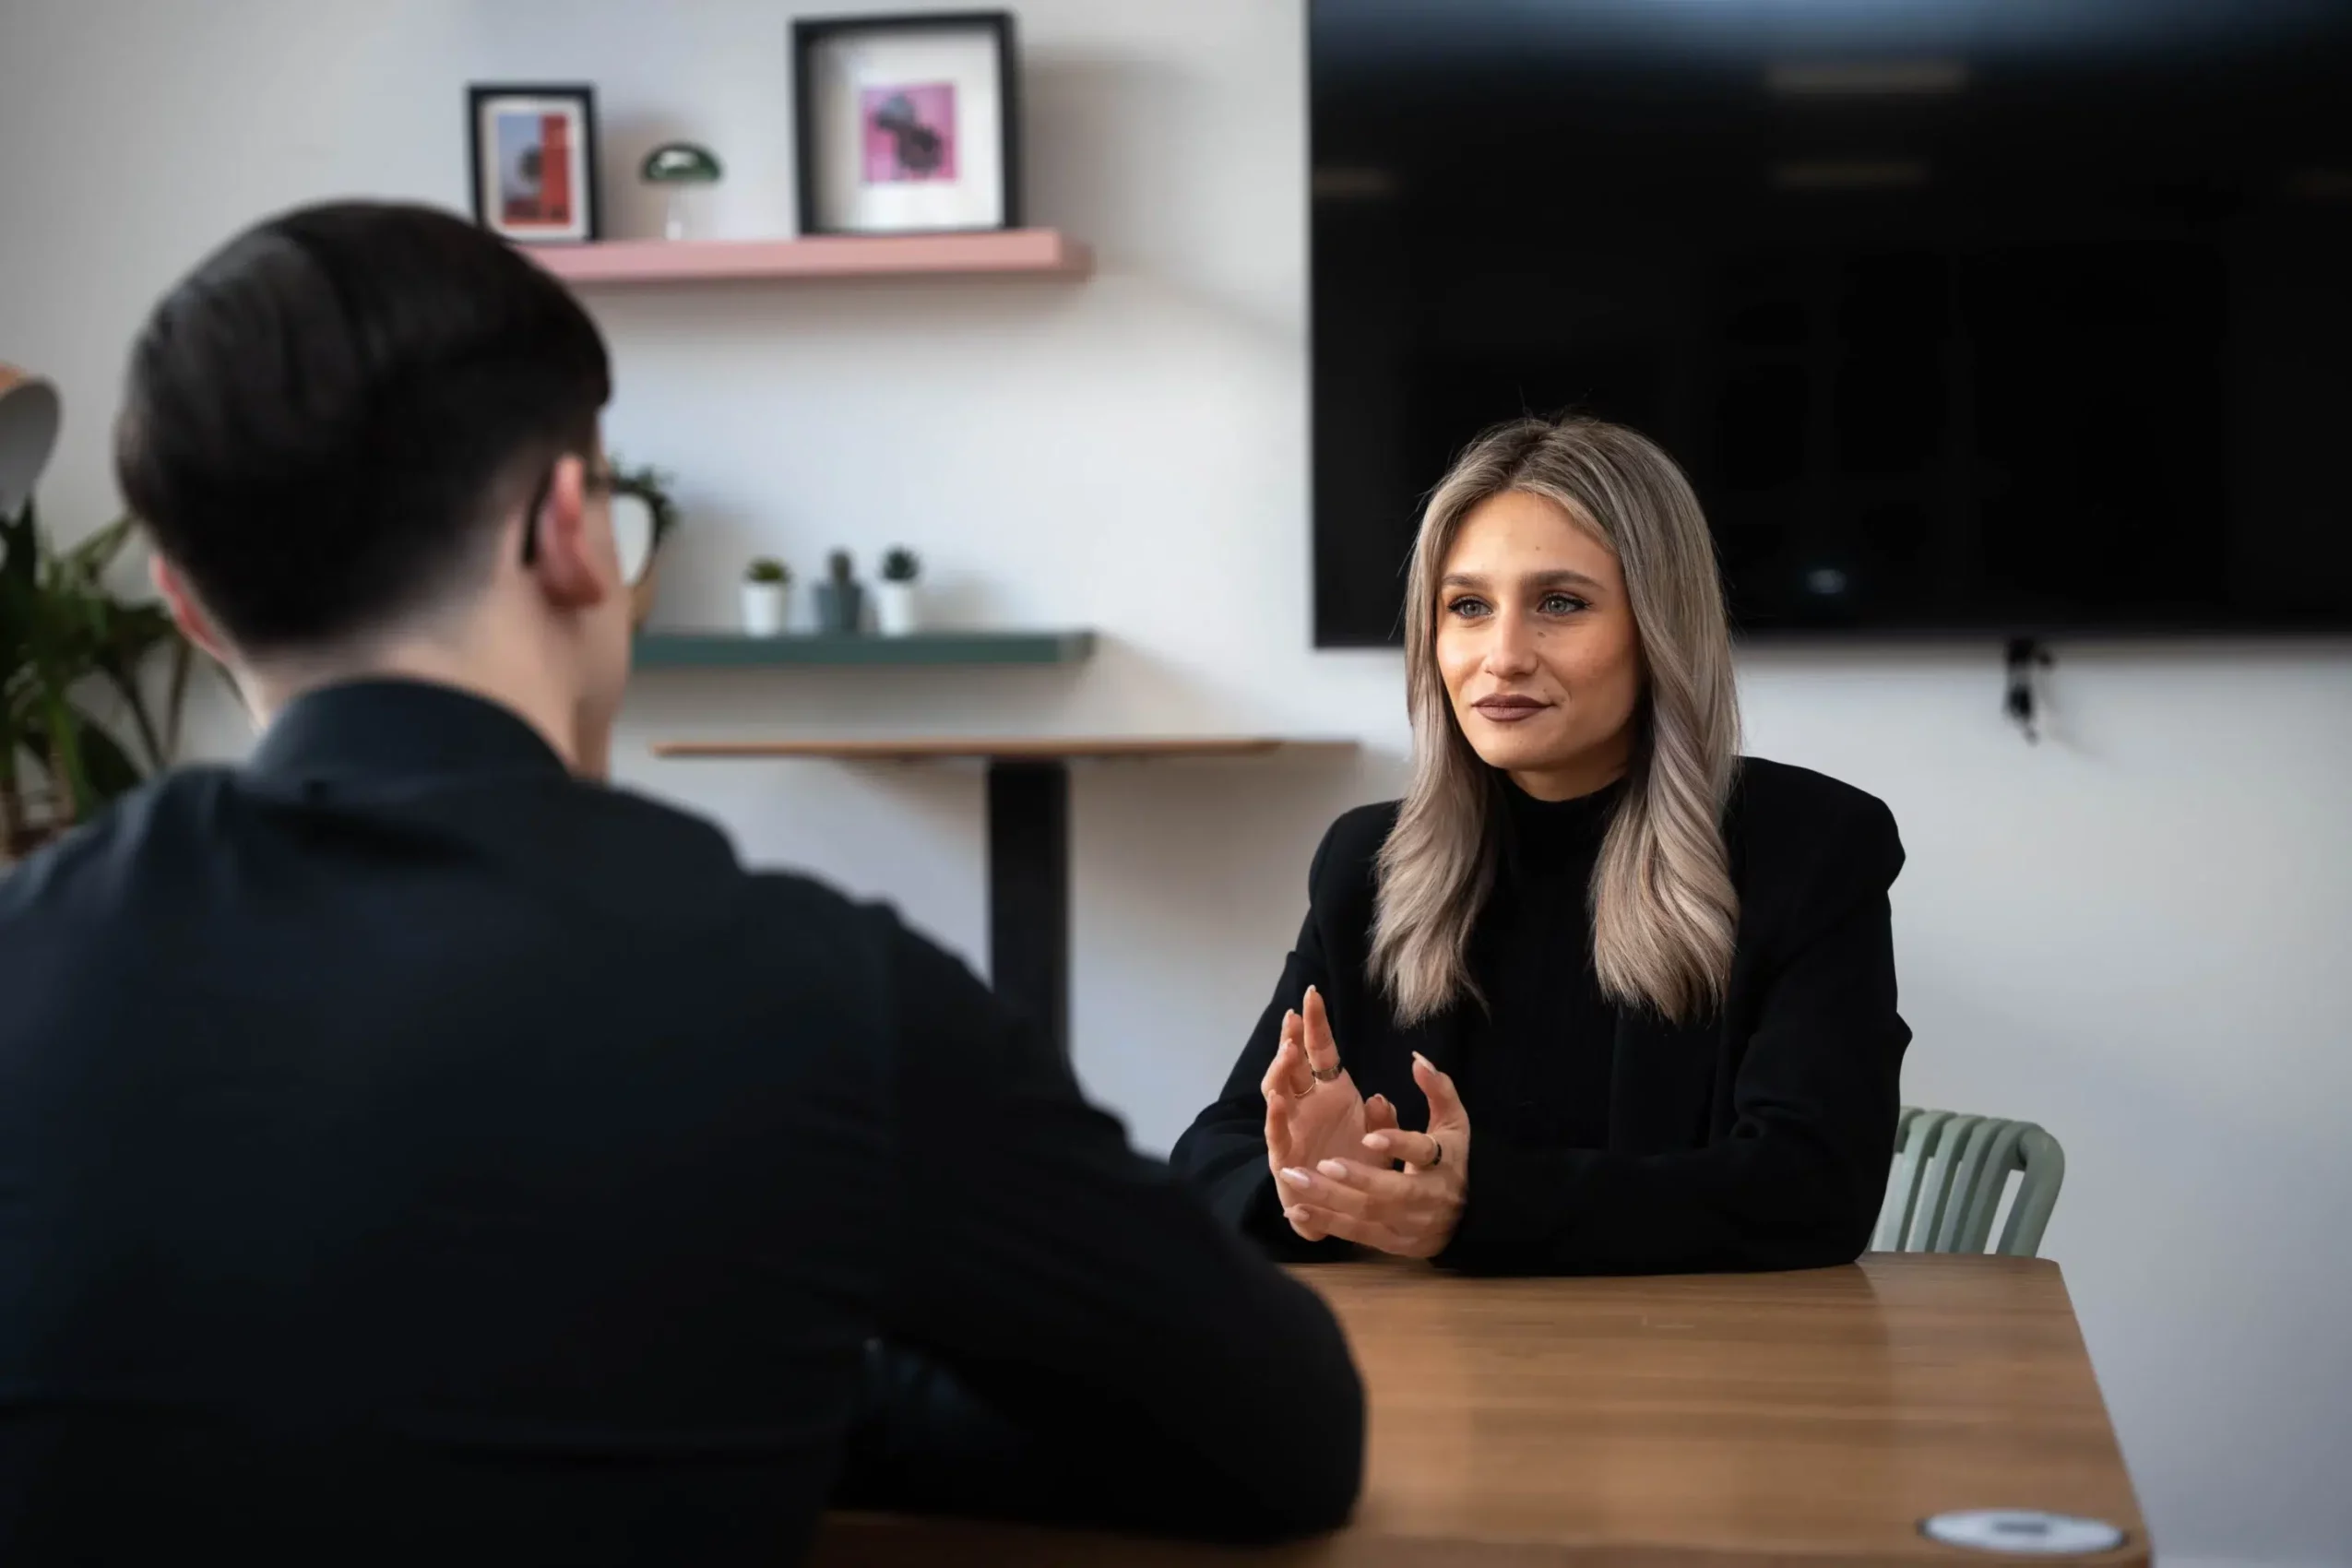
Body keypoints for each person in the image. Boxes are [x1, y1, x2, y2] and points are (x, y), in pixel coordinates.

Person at [0, 202, 1362, 1563]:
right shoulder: (822, 996)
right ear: (574, 531)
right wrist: (766, 1388)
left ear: (184, 601)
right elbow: (1286, 1434)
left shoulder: (24, 954)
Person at [1170, 415, 1909, 1275]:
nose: (1503, 656)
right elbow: (1211, 1156)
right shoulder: (1368, 862)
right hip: (1432, 1381)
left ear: (1658, 629)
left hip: (1690, 1376)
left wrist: (1475, 1208)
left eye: (1560, 604)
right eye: (1468, 607)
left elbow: (1814, 1190)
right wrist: (1326, 1189)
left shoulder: (1810, 847)